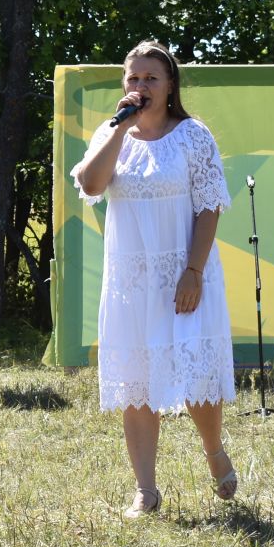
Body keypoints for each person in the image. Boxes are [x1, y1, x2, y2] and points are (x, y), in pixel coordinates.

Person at [70, 40, 238, 517]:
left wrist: (193, 271)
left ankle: (213, 451)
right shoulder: (111, 133)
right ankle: (145, 490)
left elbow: (209, 206)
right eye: (133, 79)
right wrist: (119, 129)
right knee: (137, 382)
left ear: (170, 86)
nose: (140, 86)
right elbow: (91, 184)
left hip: (185, 275)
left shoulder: (193, 136)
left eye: (150, 79)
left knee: (195, 373)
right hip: (132, 280)